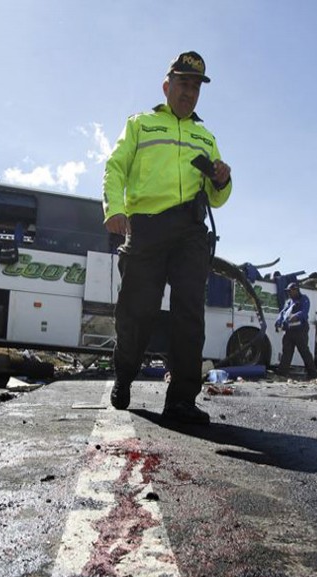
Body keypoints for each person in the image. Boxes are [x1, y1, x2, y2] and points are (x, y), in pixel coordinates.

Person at [103, 51, 232, 424]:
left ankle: (181, 399)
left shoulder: (205, 136)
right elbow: (115, 167)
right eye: (183, 84)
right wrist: (114, 209)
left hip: (190, 232)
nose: (188, 92)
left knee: (189, 311)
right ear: (167, 86)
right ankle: (124, 374)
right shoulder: (141, 125)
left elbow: (218, 197)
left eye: (195, 86)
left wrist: (223, 179)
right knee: (137, 311)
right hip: (145, 229)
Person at [274, 282, 317, 379]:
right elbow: (283, 313)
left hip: (300, 330)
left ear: (296, 290)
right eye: (288, 292)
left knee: (304, 351)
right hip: (289, 330)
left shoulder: (304, 299)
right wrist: (278, 321)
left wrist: (296, 316)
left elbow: (304, 312)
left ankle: (313, 374)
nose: (289, 293)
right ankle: (282, 373)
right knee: (287, 351)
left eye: (290, 291)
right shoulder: (289, 302)